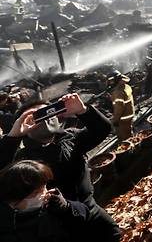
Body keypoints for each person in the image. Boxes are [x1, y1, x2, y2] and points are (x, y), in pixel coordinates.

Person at [0, 94, 120, 242]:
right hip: (56, 222)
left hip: (90, 207)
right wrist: (13, 136)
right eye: (37, 116)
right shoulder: (23, 160)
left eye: (49, 111)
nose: (46, 118)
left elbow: (102, 129)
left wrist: (83, 111)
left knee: (114, 234)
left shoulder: (70, 138)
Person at [0, 160, 91, 242]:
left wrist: (66, 206)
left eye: (45, 187)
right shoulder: (6, 228)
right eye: (37, 192)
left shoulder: (51, 204)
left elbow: (84, 215)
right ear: (16, 197)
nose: (46, 193)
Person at [107, 70, 134, 141]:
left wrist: (115, 121)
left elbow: (119, 109)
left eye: (111, 81)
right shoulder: (126, 86)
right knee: (129, 132)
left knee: (124, 138)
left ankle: (130, 149)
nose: (110, 83)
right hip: (130, 113)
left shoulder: (118, 92)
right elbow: (124, 98)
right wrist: (112, 98)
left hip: (123, 118)